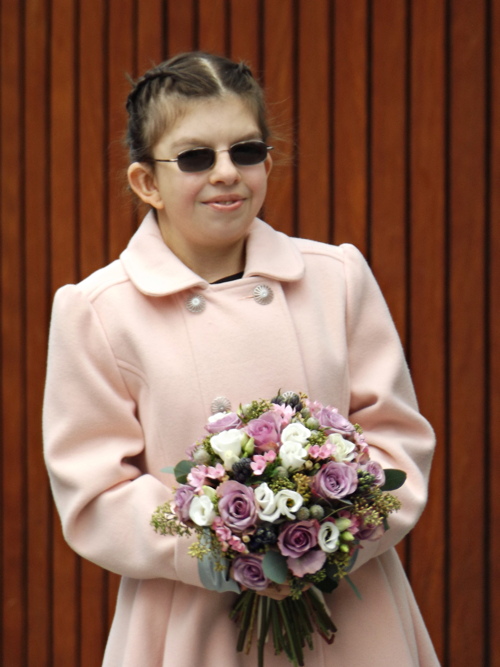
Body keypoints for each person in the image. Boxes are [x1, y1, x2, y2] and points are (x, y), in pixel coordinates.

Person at [43, 51, 439, 666]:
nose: (226, 173)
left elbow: (397, 444)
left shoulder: (337, 277)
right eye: (197, 157)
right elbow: (94, 492)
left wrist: (328, 540)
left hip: (352, 617)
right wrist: (231, 551)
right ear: (146, 182)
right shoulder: (98, 310)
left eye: (246, 151)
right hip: (191, 626)